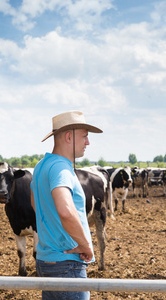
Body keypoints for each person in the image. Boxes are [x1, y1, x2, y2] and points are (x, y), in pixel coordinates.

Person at [30, 111, 102, 300]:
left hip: (45, 260)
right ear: (69, 136)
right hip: (67, 264)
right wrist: (85, 245)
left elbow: (35, 203)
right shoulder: (61, 168)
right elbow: (66, 211)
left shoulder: (40, 166)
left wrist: (54, 231)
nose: (88, 142)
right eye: (85, 136)